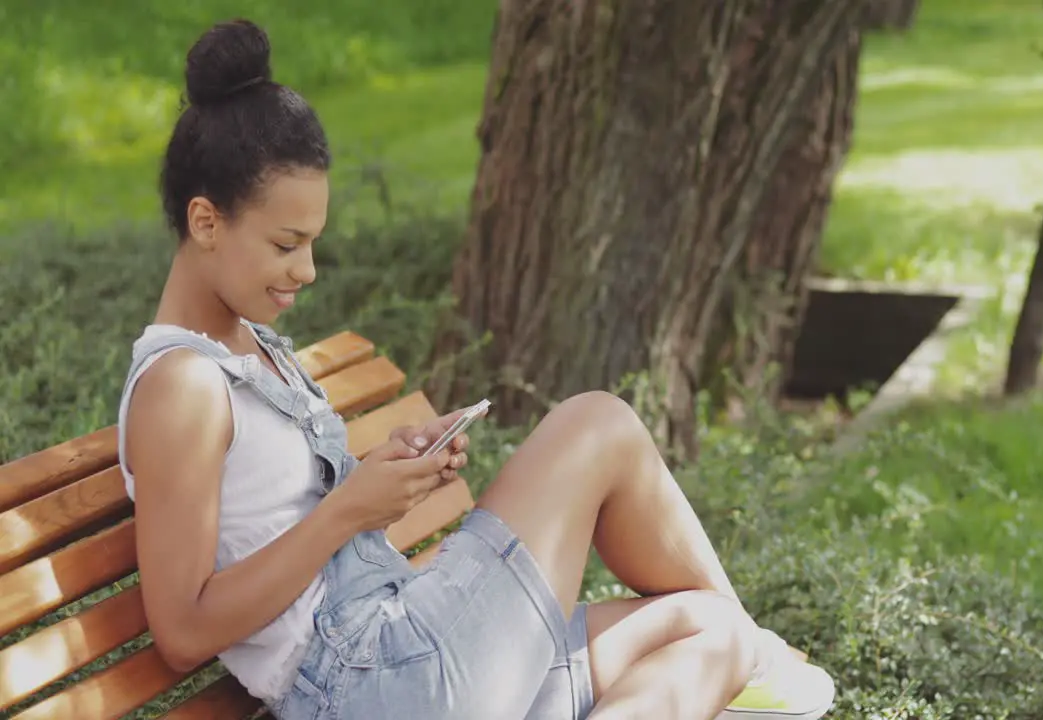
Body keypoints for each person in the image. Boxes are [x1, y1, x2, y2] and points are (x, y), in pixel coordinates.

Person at [117, 18, 837, 720]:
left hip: (411, 650)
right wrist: (349, 510)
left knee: (712, 631)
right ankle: (765, 658)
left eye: (312, 243)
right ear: (206, 222)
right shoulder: (182, 386)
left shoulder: (249, 345)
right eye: (285, 244)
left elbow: (288, 516)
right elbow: (183, 633)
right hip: (374, 685)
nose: (305, 270)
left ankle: (751, 649)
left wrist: (383, 472)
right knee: (598, 423)